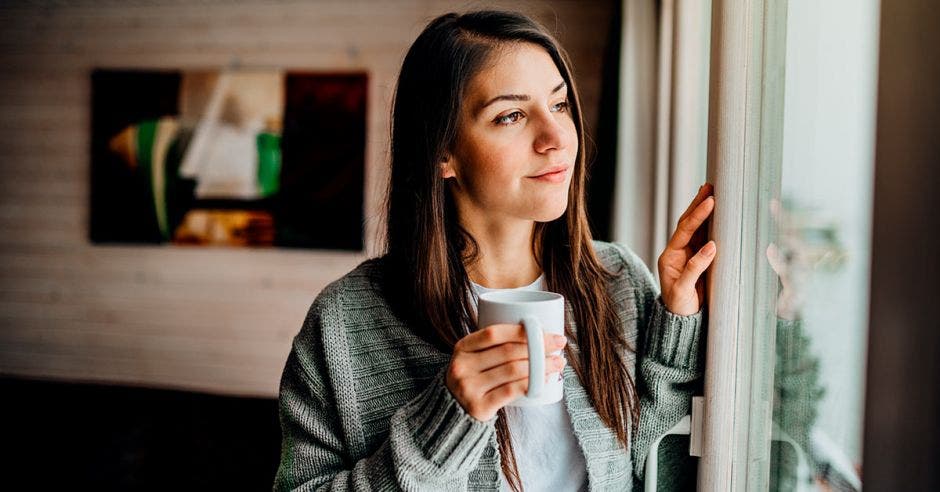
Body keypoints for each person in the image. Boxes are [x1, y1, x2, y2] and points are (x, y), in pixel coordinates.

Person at [274, 10, 717, 491]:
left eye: (561, 105)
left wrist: (677, 316)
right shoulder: (346, 322)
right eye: (511, 115)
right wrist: (446, 419)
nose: (556, 139)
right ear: (443, 151)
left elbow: (655, 464)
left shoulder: (619, 281)